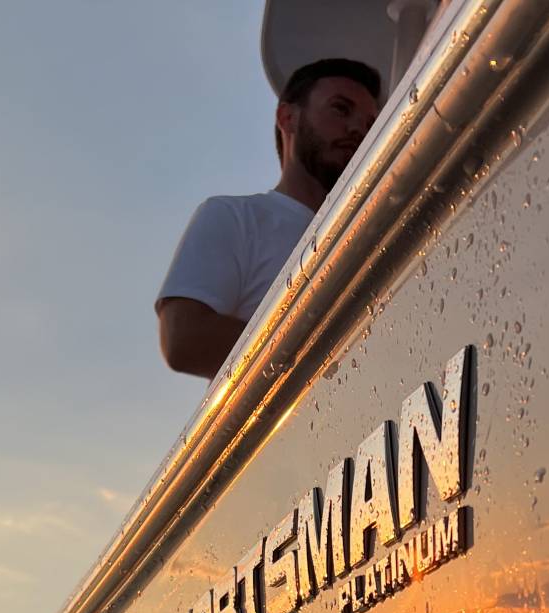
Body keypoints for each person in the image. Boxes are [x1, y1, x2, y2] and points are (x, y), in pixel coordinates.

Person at [156, 58, 382, 379]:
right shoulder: (236, 217)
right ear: (287, 118)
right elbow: (184, 337)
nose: (358, 128)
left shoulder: (371, 237)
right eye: (340, 109)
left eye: (370, 123)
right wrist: (330, 352)